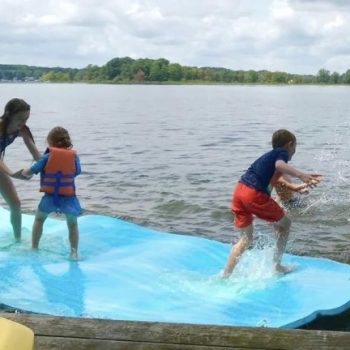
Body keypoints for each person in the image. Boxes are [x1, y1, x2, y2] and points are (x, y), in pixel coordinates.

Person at [223, 129, 321, 277]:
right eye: (295, 147)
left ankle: (225, 275)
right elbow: (280, 166)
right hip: (254, 194)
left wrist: (294, 187)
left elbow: (277, 176)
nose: (294, 151)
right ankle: (276, 266)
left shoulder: (268, 157)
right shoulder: (281, 154)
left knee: (246, 238)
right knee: (286, 224)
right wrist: (301, 175)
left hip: (239, 191)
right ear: (290, 144)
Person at [22, 127, 82, 259]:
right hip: (68, 198)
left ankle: (34, 247)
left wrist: (23, 173)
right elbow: (77, 172)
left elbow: (32, 170)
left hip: (49, 197)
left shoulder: (47, 156)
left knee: (39, 219)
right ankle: (74, 253)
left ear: (50, 142)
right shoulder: (74, 157)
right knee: (72, 224)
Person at [0, 98, 40, 241]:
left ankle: (17, 240)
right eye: (20, 119)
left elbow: (36, 154)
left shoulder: (21, 130)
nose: (23, 123)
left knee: (15, 203)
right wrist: (11, 173)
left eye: (26, 118)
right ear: (8, 114)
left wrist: (47, 167)